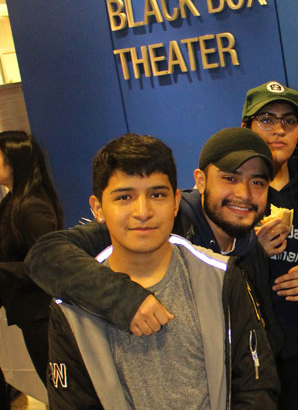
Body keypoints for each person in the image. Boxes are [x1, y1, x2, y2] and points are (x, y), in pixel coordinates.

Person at [46, 134, 278, 409]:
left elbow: (256, 386)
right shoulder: (71, 307)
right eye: (124, 197)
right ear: (98, 208)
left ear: (176, 201)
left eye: (157, 195)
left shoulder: (221, 277)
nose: (143, 212)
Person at [241, 81, 298, 410]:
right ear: (246, 126)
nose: (279, 130)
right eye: (267, 119)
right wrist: (253, 251)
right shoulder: (232, 192)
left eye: (289, 121)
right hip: (254, 355)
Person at [0, 131, 63, 405]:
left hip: (44, 316)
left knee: (61, 389)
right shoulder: (11, 203)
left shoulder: (31, 207)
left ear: (13, 162)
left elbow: (49, 264)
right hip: (30, 315)